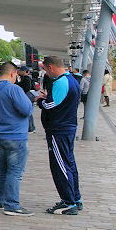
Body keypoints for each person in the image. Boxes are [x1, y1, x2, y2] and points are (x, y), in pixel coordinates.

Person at [0, 62, 34, 216]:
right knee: (15, 170)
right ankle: (12, 204)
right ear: (13, 73)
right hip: (15, 135)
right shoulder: (14, 89)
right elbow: (26, 109)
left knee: (1, 168)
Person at [37, 56, 82, 215]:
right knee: (68, 163)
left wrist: (40, 101)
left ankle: (69, 202)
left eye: (44, 69)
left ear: (50, 67)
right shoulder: (72, 80)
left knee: (60, 165)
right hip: (67, 127)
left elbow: (51, 104)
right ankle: (75, 198)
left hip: (59, 129)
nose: (45, 72)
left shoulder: (60, 82)